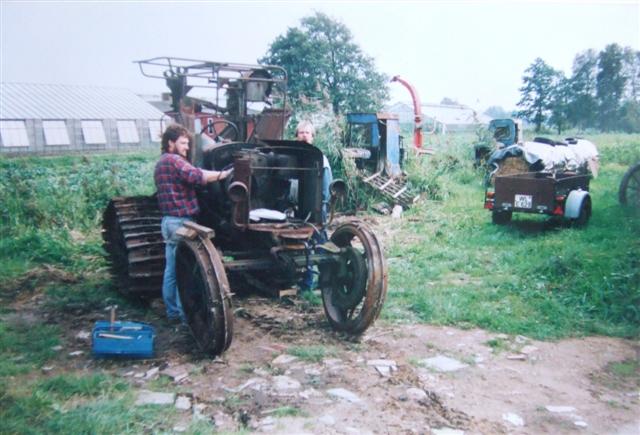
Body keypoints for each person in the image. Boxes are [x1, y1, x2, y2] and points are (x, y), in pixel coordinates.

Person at [154, 124, 232, 323]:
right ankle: (184, 316)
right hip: (181, 223)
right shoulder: (175, 161)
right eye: (183, 143)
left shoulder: (161, 162)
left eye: (188, 144)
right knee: (186, 271)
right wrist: (225, 175)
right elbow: (198, 176)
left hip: (168, 221)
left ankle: (172, 313)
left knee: (172, 270)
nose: (186, 148)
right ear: (170, 143)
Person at [295, 120, 333, 292]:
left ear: (313, 137)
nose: (304, 135)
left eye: (307, 133)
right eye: (301, 132)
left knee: (318, 242)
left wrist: (322, 206)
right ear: (296, 136)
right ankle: (305, 280)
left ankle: (322, 279)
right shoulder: (292, 157)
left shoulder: (320, 159)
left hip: (316, 208)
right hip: (295, 209)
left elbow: (326, 185)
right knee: (303, 243)